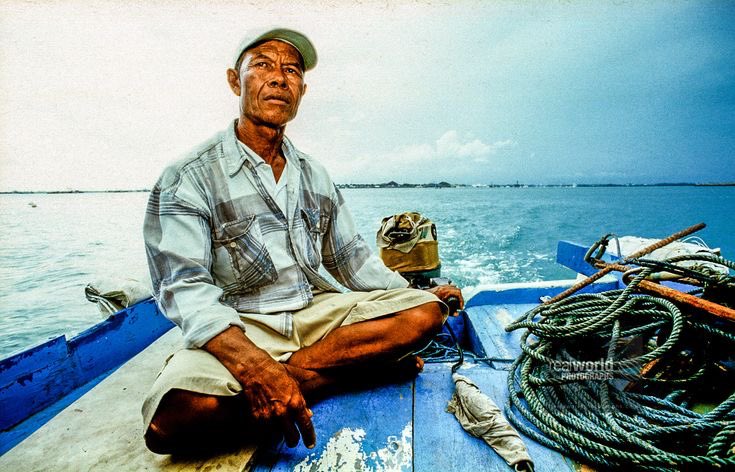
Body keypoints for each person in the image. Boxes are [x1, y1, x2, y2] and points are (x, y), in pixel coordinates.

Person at [141, 27, 463, 455]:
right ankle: (347, 375)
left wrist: (413, 294)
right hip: (241, 323)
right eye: (262, 66)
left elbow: (354, 262)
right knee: (173, 421)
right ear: (235, 82)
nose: (279, 78)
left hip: (316, 313)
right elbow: (184, 288)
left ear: (302, 90)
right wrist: (255, 366)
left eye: (291, 70)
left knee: (424, 314)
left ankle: (292, 381)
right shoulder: (189, 176)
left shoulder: (314, 174)